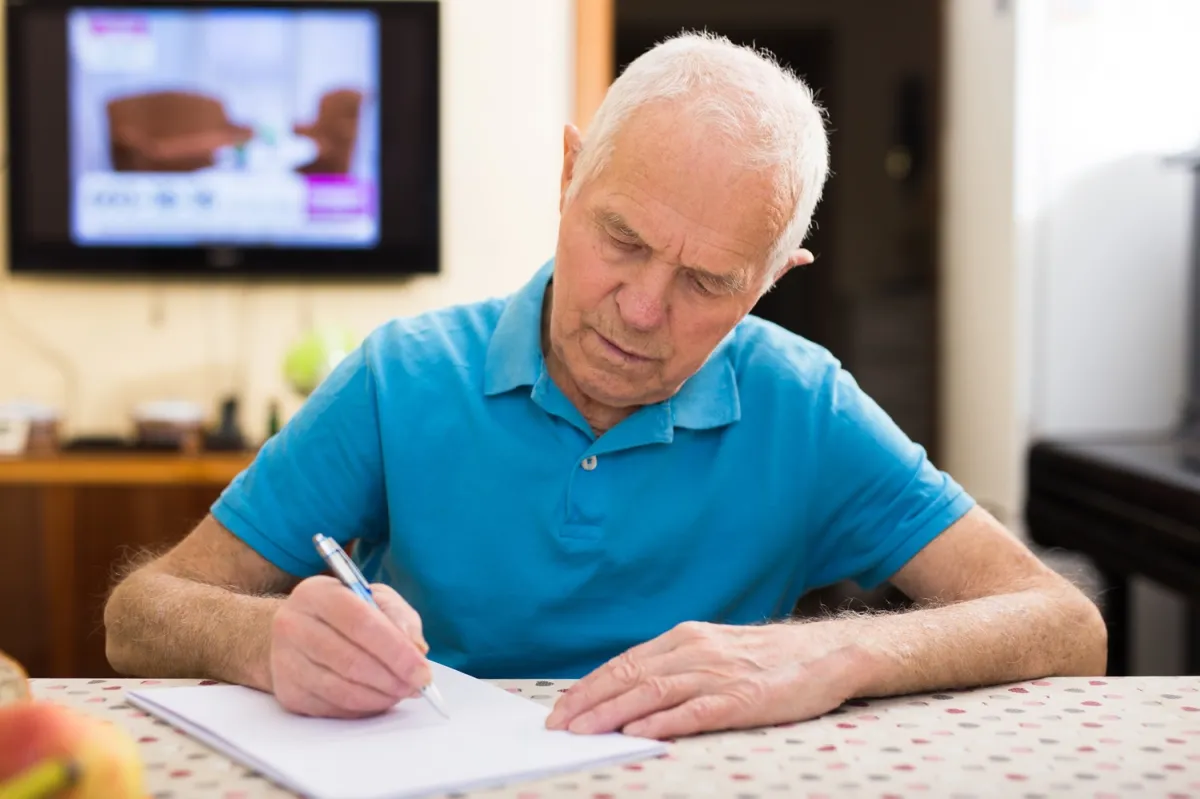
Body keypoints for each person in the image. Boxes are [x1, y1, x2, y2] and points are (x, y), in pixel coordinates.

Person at [104, 32, 1106, 740]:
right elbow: (141, 613)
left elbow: (1063, 622)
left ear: (774, 278)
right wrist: (263, 634)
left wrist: (832, 656)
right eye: (621, 240)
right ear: (570, 175)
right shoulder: (402, 377)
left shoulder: (806, 403)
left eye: (711, 281)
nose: (640, 309)